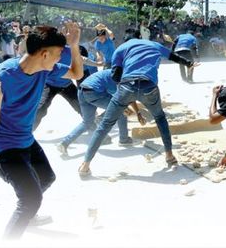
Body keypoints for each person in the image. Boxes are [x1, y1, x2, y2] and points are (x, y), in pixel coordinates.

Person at [0, 23, 83, 239]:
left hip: (25, 138)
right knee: (30, 199)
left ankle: (27, 214)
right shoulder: (2, 77)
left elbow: (76, 72)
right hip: (2, 146)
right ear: (45, 54)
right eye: (57, 55)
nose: (58, 60)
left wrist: (74, 46)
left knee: (47, 178)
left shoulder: (45, 70)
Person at [77, 39, 197, 176]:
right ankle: (169, 155)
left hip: (126, 87)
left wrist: (122, 97)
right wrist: (189, 63)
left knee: (105, 125)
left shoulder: (121, 48)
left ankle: (85, 165)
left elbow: (116, 77)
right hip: (149, 88)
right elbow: (173, 56)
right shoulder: (154, 45)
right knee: (160, 118)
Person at [57, 69, 145, 155]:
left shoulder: (116, 73)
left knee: (87, 122)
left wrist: (138, 112)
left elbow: (128, 95)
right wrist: (132, 111)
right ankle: (124, 140)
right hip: (94, 92)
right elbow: (123, 98)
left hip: (82, 90)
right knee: (121, 111)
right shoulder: (118, 79)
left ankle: (64, 143)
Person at [33, 45, 82, 130]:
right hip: (49, 85)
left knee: (81, 106)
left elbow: (81, 59)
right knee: (41, 109)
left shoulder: (70, 50)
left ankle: (94, 128)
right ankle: (27, 133)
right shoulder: (48, 50)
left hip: (66, 84)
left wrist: (95, 63)